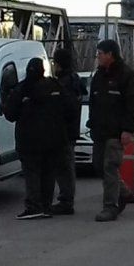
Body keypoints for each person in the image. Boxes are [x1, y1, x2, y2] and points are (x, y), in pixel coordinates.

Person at [5, 58, 77, 220]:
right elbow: (71, 109)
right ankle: (45, 205)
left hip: (29, 141)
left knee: (32, 174)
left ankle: (34, 206)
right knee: (48, 173)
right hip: (54, 140)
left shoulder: (23, 89)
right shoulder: (55, 86)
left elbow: (10, 113)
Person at [87, 39, 134, 222]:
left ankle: (110, 206)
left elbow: (133, 105)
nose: (98, 57)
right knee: (98, 166)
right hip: (99, 131)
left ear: (110, 54)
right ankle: (124, 193)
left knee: (110, 167)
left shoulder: (127, 75)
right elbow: (94, 102)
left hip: (115, 132)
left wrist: (127, 129)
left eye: (100, 54)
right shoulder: (99, 76)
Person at [50, 48, 87, 215]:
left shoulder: (64, 84)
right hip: (68, 131)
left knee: (64, 167)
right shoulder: (74, 80)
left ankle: (66, 201)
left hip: (63, 132)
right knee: (65, 166)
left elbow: (65, 108)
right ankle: (66, 199)